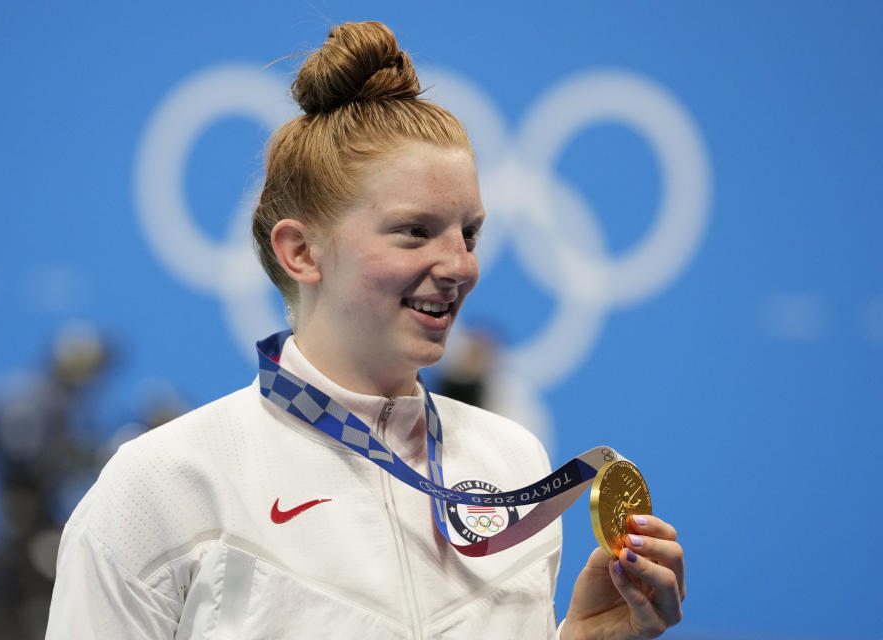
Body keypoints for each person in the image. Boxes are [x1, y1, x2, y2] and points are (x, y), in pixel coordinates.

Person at [46, 21, 685, 639]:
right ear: (302, 253)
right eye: (415, 231)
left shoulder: (512, 461)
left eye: (469, 233)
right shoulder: (165, 486)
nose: (461, 265)